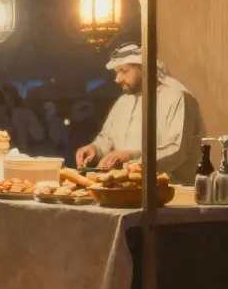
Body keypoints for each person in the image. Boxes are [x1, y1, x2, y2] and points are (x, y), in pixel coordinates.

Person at [75, 42, 203, 184]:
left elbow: (177, 149)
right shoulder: (123, 102)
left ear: (144, 69)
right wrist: (95, 149)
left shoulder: (176, 98)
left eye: (124, 71)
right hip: (124, 186)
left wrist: (131, 157)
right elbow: (107, 138)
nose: (117, 79)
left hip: (167, 189)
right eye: (117, 72)